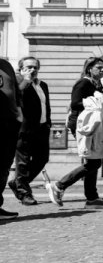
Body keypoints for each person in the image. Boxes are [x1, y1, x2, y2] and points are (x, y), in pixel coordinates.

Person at [49, 57, 103, 207]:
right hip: (81, 124)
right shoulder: (83, 82)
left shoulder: (95, 84)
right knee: (94, 161)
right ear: (89, 68)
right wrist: (95, 102)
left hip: (92, 124)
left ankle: (92, 198)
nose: (102, 70)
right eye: (99, 67)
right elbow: (75, 102)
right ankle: (60, 185)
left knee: (95, 159)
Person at [9, 57, 52, 206]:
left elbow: (46, 105)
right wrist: (26, 80)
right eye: (28, 67)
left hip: (41, 128)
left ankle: (18, 183)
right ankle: (24, 193)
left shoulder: (43, 85)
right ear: (20, 69)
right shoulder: (17, 83)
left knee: (42, 158)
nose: (33, 70)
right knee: (23, 162)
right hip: (24, 129)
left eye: (35, 67)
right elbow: (15, 97)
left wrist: (48, 124)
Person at [1, 58, 24, 219]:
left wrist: (19, 113)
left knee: (3, 167)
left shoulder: (5, 65)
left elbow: (16, 90)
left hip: (9, 123)